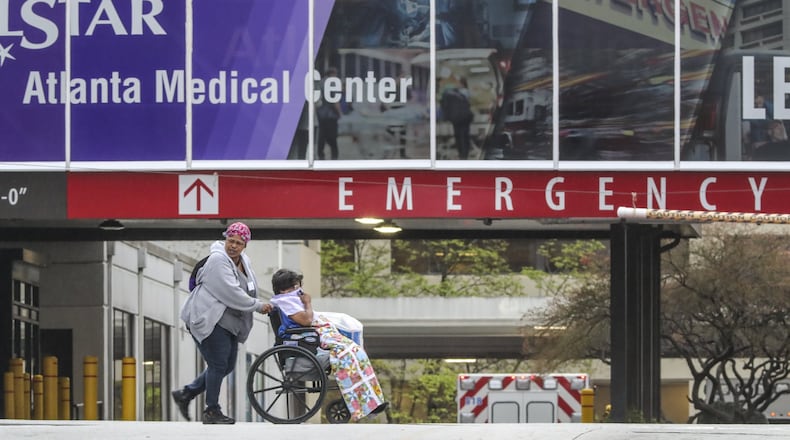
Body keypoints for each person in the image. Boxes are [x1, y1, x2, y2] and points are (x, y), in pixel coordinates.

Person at [172, 222, 273, 424]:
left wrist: (257, 303)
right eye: (230, 241)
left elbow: (249, 288)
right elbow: (231, 292)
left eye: (238, 243)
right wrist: (257, 305)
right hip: (209, 319)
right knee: (218, 364)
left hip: (229, 323)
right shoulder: (218, 260)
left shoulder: (244, 261)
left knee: (226, 366)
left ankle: (186, 394)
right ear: (225, 239)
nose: (233, 246)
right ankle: (212, 410)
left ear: (245, 245)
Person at [269, 269, 388, 421]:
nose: (297, 290)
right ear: (282, 289)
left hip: (310, 335)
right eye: (292, 287)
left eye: (297, 286)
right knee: (349, 353)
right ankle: (366, 404)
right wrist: (308, 303)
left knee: (356, 352)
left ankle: (371, 402)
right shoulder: (286, 302)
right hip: (306, 338)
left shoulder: (289, 300)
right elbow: (306, 320)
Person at [316, 67, 342, 160]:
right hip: (331, 115)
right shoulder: (332, 83)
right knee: (333, 139)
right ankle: (334, 159)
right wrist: (340, 113)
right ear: (333, 74)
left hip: (320, 114)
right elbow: (335, 101)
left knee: (321, 137)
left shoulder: (320, 82)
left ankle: (321, 156)